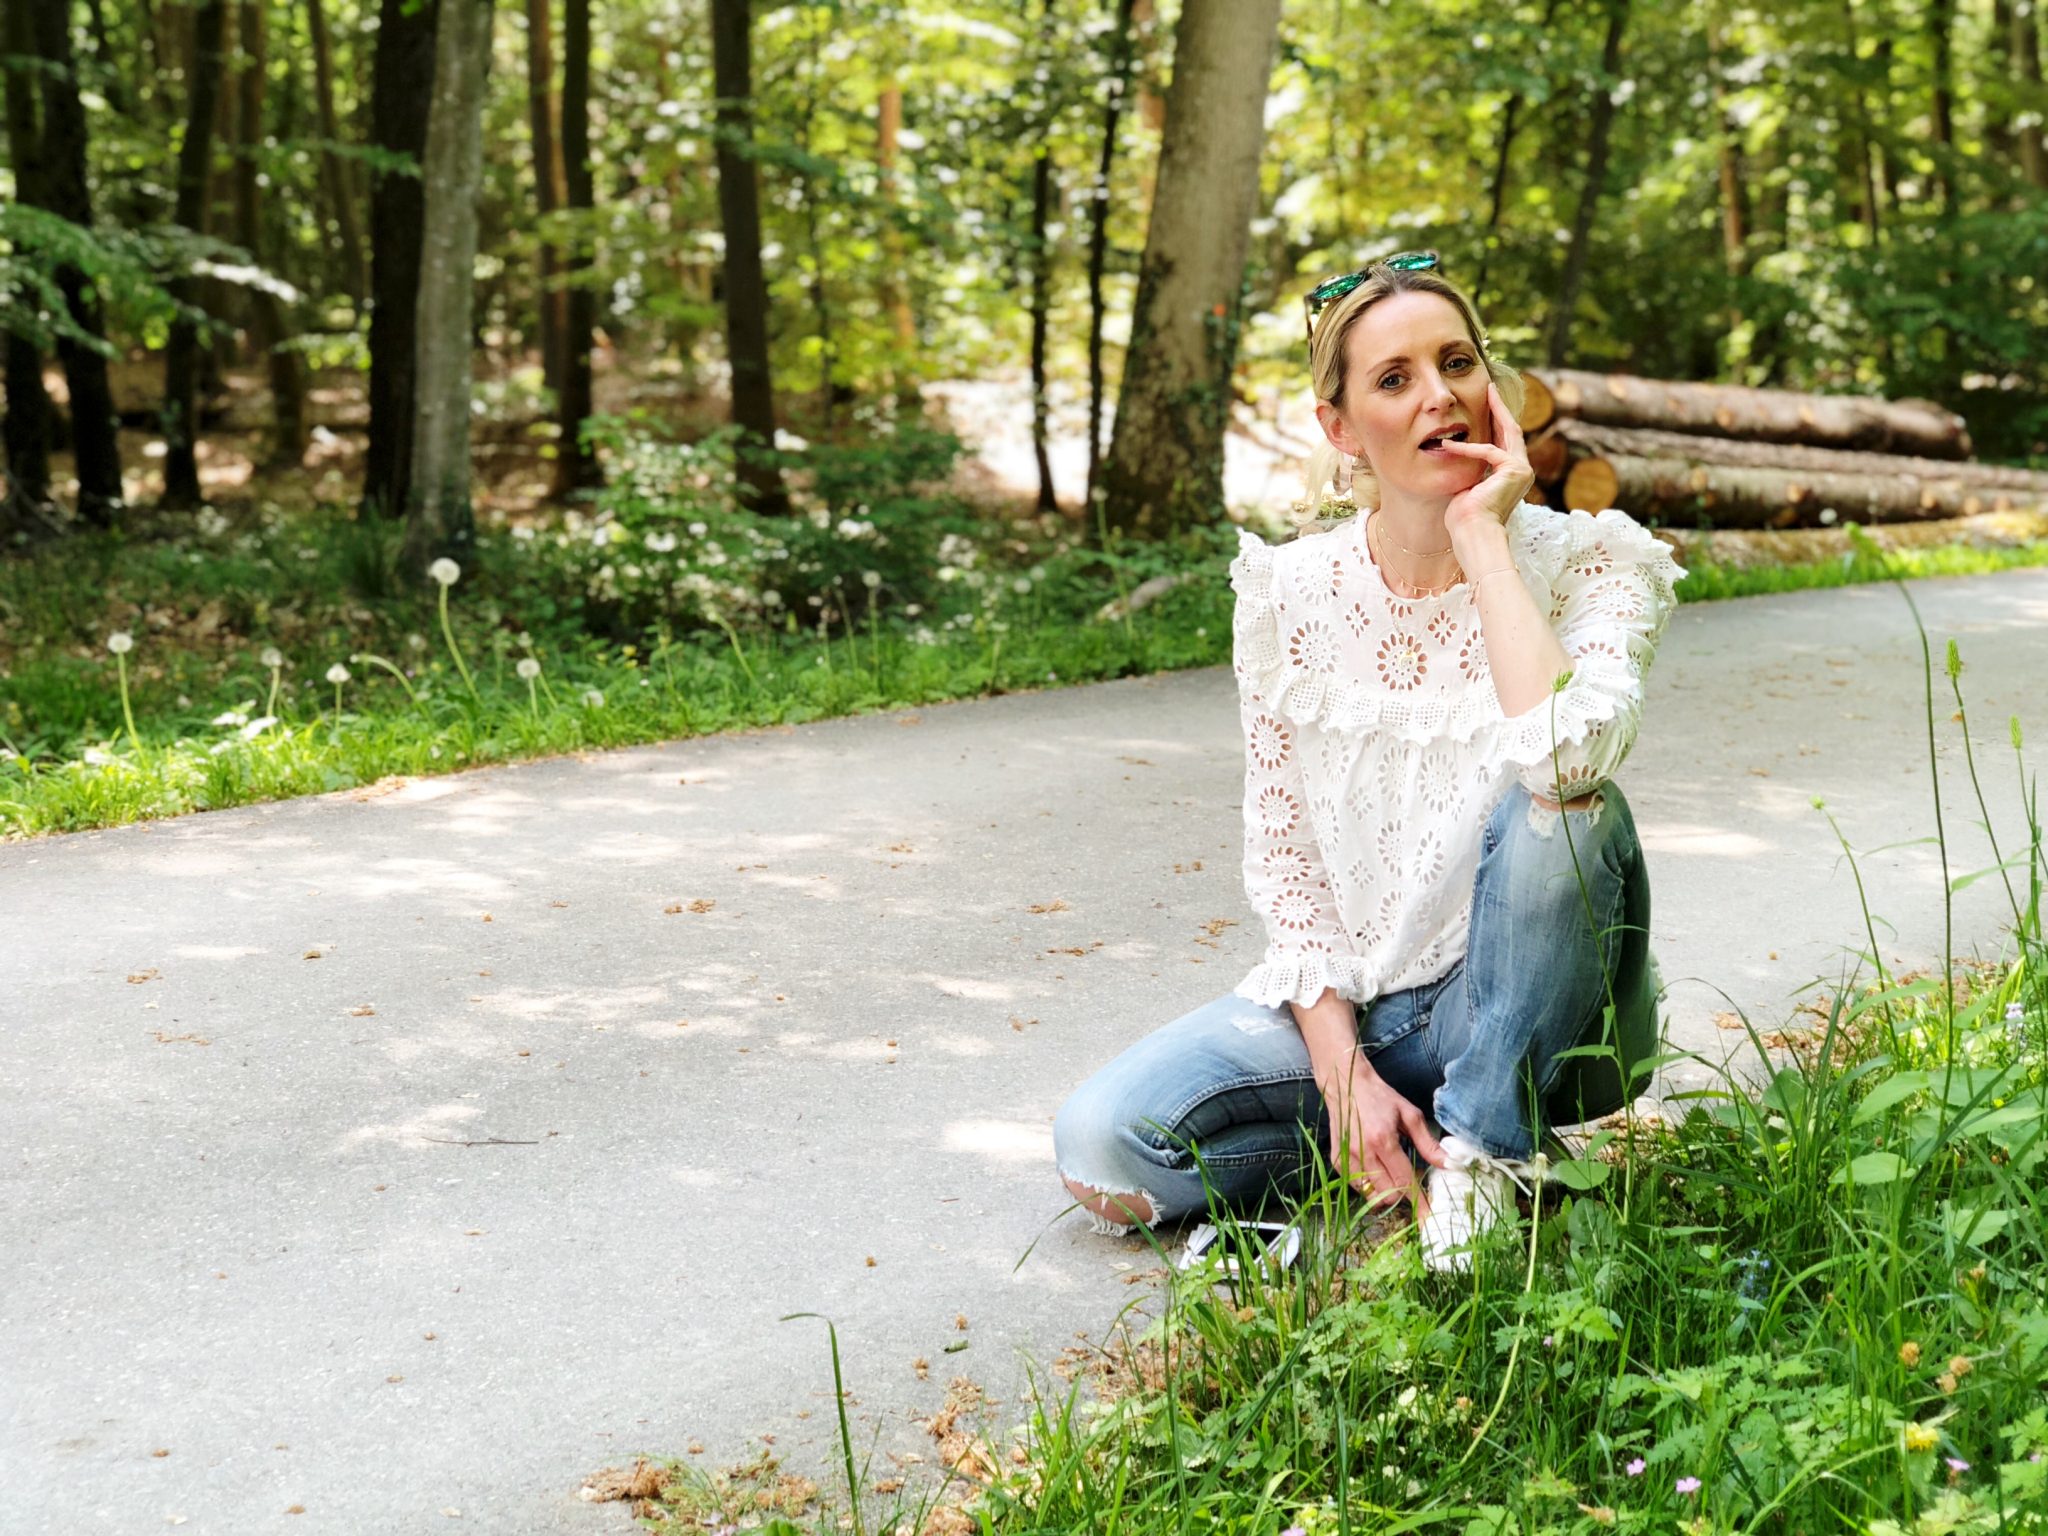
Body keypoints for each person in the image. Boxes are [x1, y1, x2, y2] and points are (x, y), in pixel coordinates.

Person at [1051, 250, 1686, 1271]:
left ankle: (1481, 1160)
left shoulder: (1595, 562)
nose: (1440, 396)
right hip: (1368, 1009)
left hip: (1541, 1001)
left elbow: (1567, 766)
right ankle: (1408, 1138)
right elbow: (1289, 856)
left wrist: (1481, 541)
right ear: (1339, 429)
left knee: (1568, 814)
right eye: (1394, 379)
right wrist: (1341, 1071)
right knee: (1105, 1146)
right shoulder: (1285, 594)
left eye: (1457, 363)